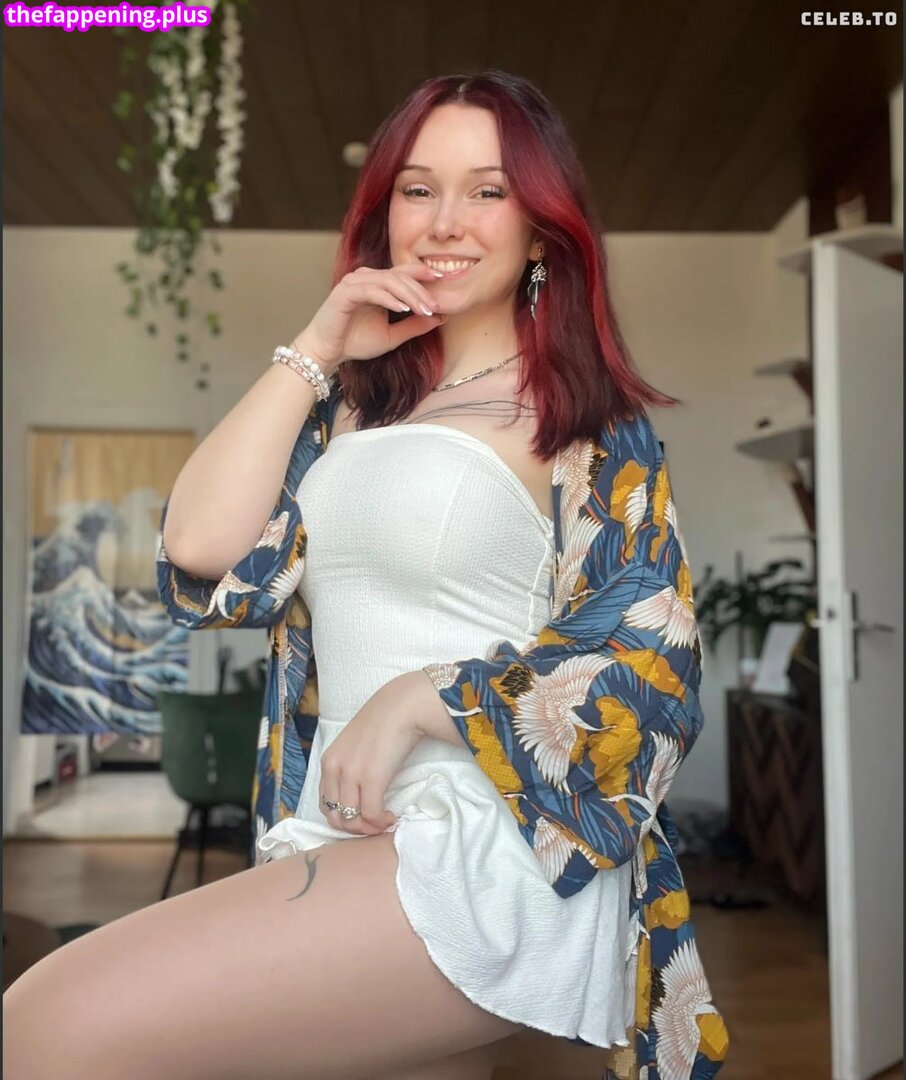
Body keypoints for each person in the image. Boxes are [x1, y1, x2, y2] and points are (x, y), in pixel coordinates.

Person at [4, 71, 728, 1080]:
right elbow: (200, 547)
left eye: (488, 191)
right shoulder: (348, 411)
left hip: (483, 834)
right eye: (417, 189)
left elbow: (656, 665)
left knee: (45, 1024)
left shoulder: (582, 422)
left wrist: (424, 698)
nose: (445, 221)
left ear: (540, 230)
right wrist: (318, 344)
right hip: (335, 820)